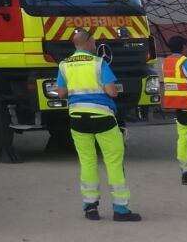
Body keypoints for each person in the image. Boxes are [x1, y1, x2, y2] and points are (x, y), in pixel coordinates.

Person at [56, 28, 141, 221]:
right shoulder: (98, 63)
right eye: (94, 42)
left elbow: (61, 93)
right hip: (102, 117)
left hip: (77, 118)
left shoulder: (64, 65)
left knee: (87, 162)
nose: (95, 45)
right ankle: (120, 210)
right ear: (87, 43)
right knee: (113, 161)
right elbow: (111, 92)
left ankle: (90, 208)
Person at [161, 35, 187, 184]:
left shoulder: (167, 63)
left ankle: (186, 170)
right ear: (183, 47)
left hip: (179, 108)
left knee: (183, 140)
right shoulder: (186, 63)